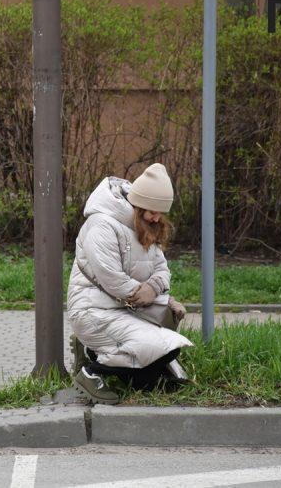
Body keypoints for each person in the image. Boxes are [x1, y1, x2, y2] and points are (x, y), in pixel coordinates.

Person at [67, 163, 192, 404]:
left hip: (127, 310)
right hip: (93, 311)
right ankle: (91, 372)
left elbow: (162, 268)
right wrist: (149, 295)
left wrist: (154, 288)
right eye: (153, 211)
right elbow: (111, 278)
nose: (157, 218)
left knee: (166, 350)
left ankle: (95, 353)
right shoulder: (101, 225)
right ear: (139, 203)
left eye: (160, 212)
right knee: (158, 346)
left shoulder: (146, 224)